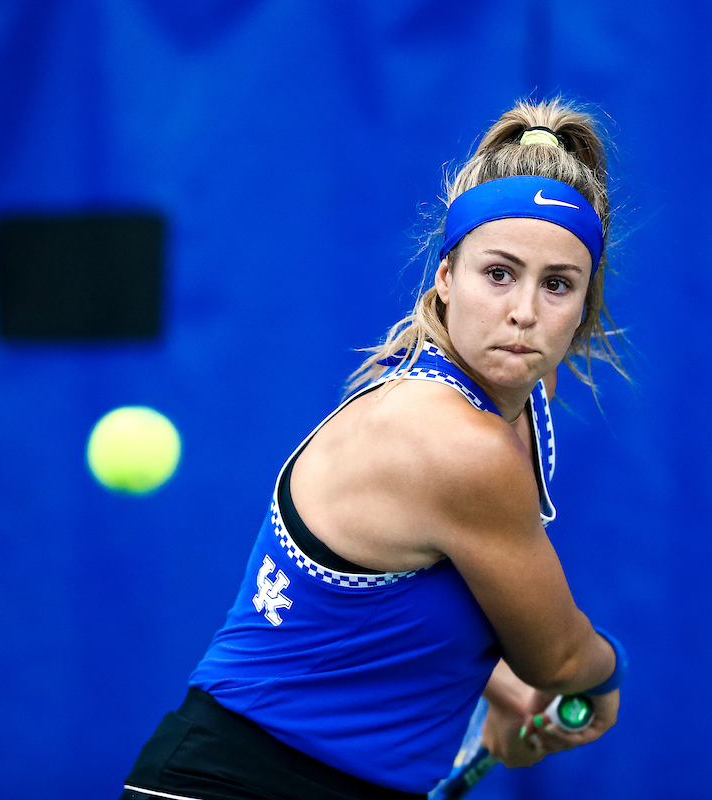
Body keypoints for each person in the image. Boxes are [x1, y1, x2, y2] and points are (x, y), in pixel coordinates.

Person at [119, 97, 630, 800]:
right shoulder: (459, 443)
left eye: (558, 285)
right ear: (446, 278)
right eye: (499, 273)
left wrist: (491, 677)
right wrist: (606, 674)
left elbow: (397, 599)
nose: (523, 311)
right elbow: (559, 654)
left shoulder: (493, 406)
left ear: (583, 309)